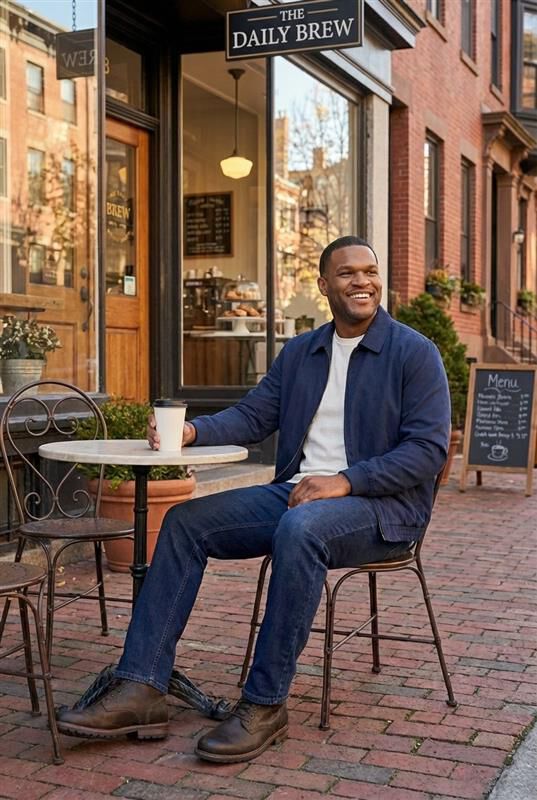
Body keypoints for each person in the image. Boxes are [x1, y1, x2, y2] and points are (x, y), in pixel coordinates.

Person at [57, 235, 450, 764]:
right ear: (323, 285)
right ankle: (142, 684)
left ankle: (265, 704)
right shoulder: (303, 353)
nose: (362, 281)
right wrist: (193, 432)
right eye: (347, 273)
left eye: (369, 271)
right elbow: (253, 415)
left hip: (384, 509)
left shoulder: (414, 353)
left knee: (301, 528)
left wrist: (347, 480)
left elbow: (428, 451)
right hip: (296, 495)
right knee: (184, 522)